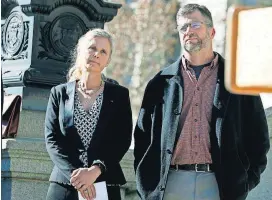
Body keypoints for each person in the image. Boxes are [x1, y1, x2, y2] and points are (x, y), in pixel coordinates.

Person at [134, 4, 270, 200]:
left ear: (212, 31)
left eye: (195, 24)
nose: (188, 31)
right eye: (183, 27)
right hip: (170, 184)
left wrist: (244, 182)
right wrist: (147, 184)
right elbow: (143, 137)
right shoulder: (160, 82)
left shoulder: (237, 79)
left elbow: (259, 137)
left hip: (220, 185)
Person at [45, 28, 133, 200]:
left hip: (104, 182)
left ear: (108, 60)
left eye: (103, 51)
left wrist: (95, 170)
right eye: (92, 48)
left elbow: (122, 140)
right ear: (81, 51)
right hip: (65, 183)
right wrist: (78, 178)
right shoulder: (59, 93)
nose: (96, 54)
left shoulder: (119, 95)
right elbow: (52, 139)